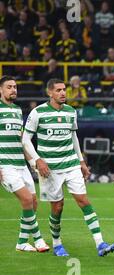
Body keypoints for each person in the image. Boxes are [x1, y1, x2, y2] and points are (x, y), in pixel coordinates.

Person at [22, 78, 114, 257]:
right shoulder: (37, 113)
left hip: (71, 164)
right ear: (50, 93)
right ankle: (57, 244)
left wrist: (81, 162)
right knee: (57, 207)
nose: (63, 93)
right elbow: (26, 139)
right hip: (50, 169)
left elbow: (74, 138)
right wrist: (37, 161)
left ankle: (100, 243)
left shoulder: (71, 112)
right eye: (58, 90)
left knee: (83, 201)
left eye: (64, 89)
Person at [0, 75, 49, 252]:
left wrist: (32, 161)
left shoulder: (17, 110)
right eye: (9, 87)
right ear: (1, 90)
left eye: (15, 86)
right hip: (5, 165)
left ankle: (21, 242)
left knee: (33, 203)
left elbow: (22, 140)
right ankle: (38, 240)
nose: (13, 89)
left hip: (21, 164)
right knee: (27, 199)